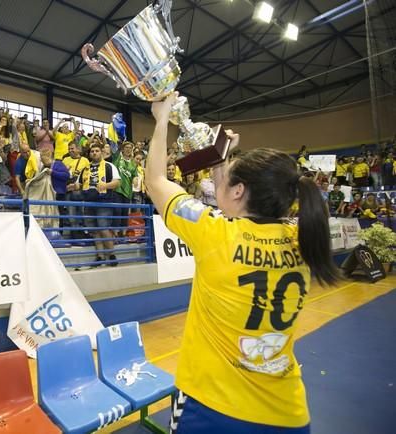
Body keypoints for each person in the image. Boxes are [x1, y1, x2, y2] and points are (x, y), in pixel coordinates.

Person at [145, 92, 338, 434]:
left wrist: (161, 120)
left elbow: (156, 181)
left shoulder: (213, 233)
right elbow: (234, 206)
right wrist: (223, 160)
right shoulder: (303, 239)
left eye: (230, 176)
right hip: (287, 413)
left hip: (211, 408)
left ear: (238, 191)